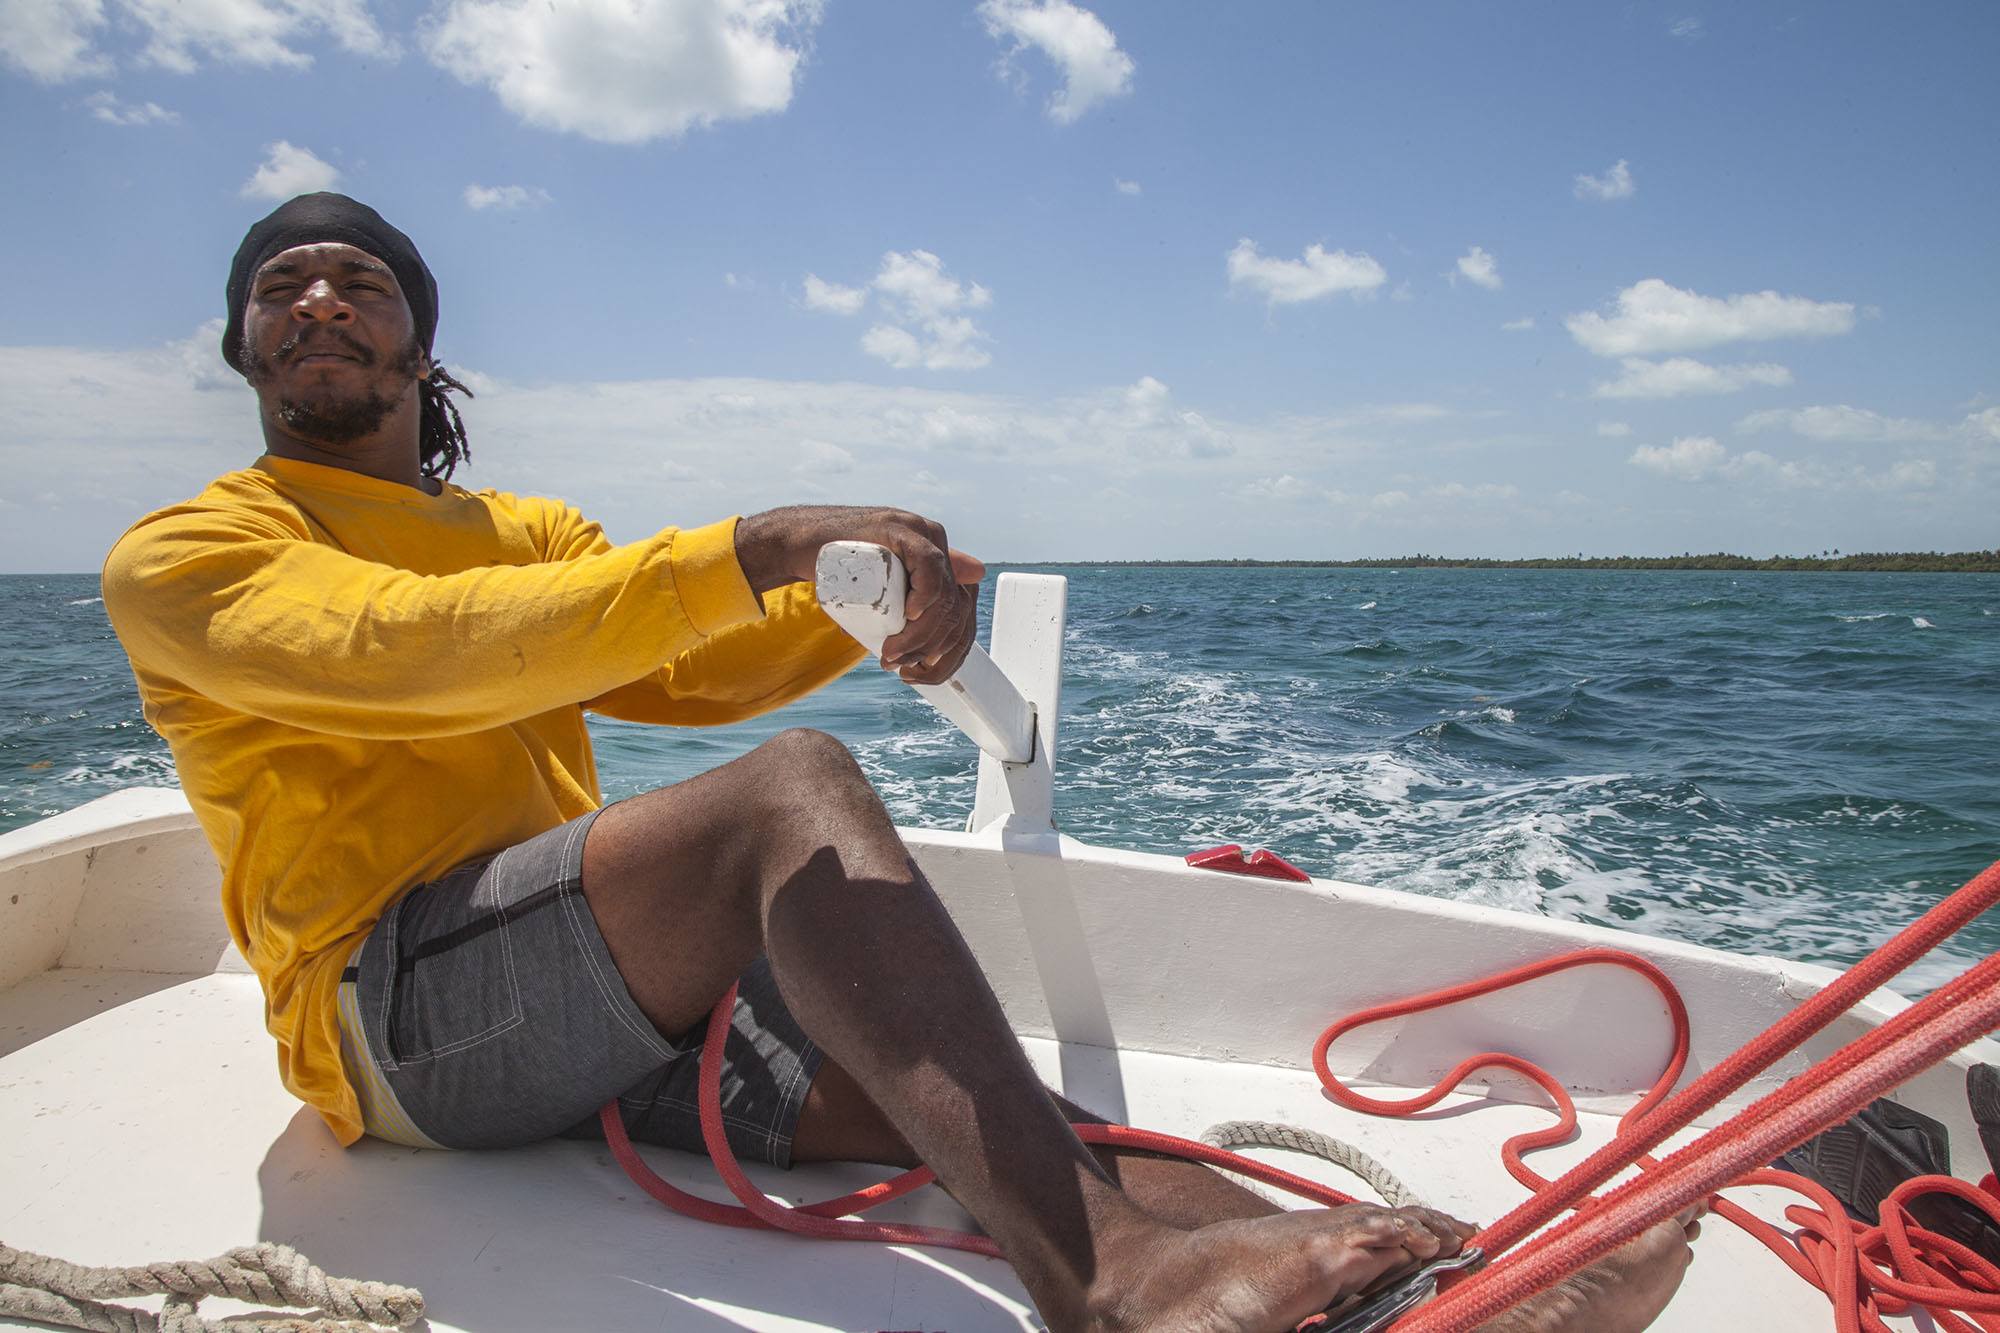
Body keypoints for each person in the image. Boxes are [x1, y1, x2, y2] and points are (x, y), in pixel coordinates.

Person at [102, 192, 1701, 1332]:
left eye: (357, 283)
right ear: (244, 345)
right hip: (395, 1021)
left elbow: (667, 653)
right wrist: (762, 537)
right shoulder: (188, 553)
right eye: (282, 287)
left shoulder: (513, 534)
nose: (319, 303)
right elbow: (419, 648)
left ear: (419, 341)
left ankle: (1466, 1283)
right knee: (791, 792)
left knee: (983, 1112)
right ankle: (1118, 1287)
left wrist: (855, 598)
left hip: (577, 996)